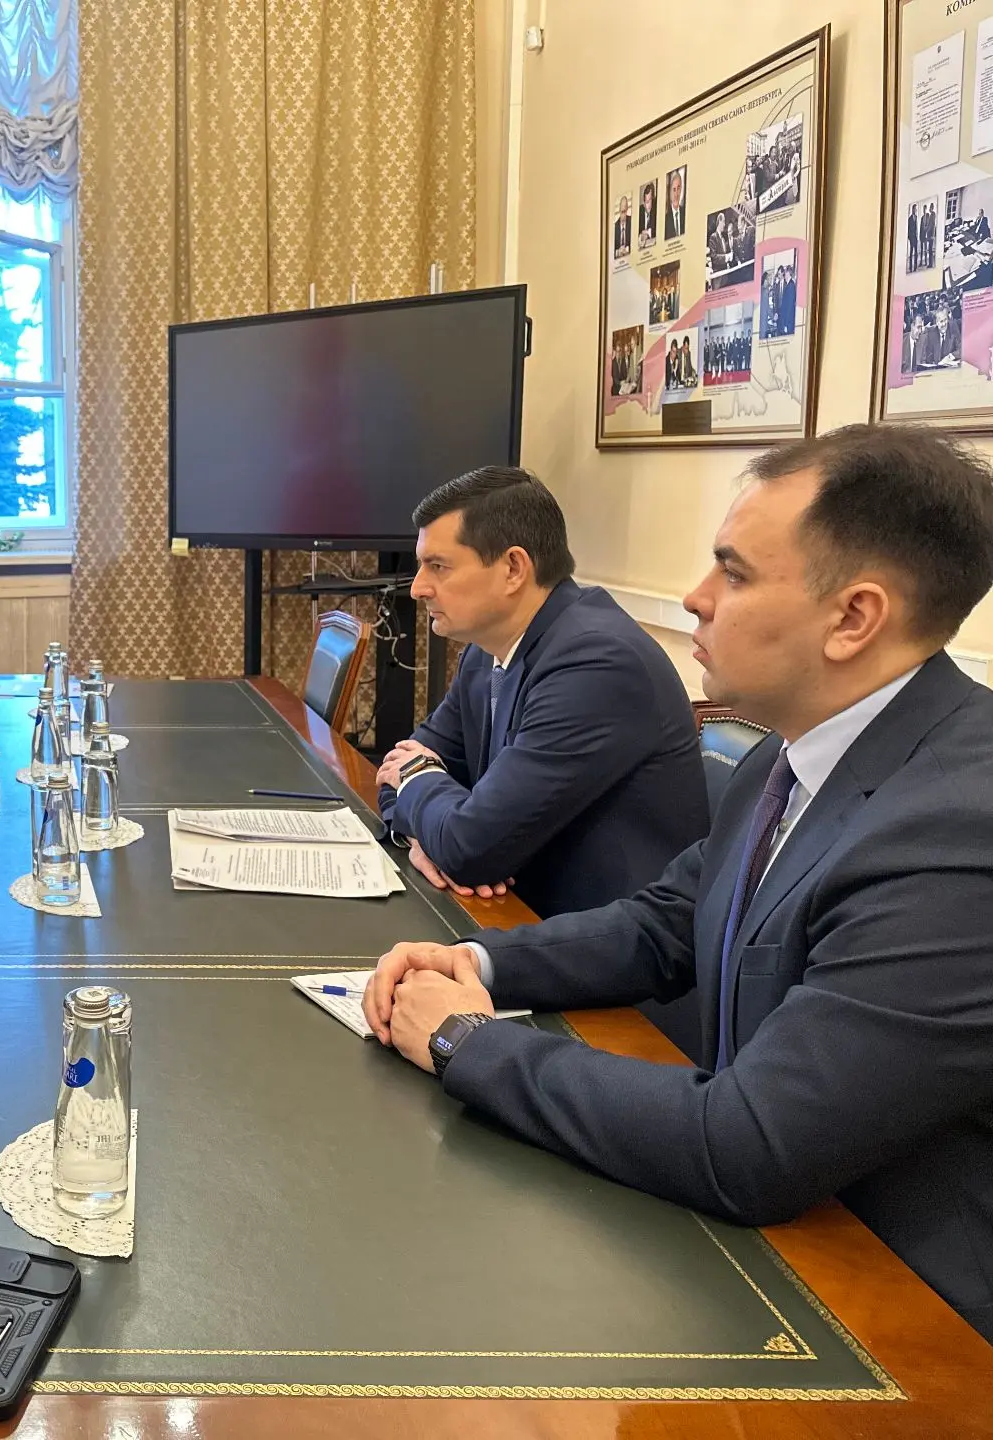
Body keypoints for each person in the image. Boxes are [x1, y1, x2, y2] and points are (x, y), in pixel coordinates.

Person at [363, 424, 993, 1344]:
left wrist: (465, 1041)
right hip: (772, 1248)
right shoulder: (795, 749)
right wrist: (478, 963)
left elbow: (749, 1142)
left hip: (899, 1322)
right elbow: (666, 922)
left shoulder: (957, 831)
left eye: (733, 573)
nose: (693, 598)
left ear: (854, 618)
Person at [377, 468, 707, 919]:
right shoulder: (484, 651)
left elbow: (467, 846)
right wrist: (422, 836)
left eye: (438, 566)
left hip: (600, 943)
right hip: (512, 910)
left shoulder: (597, 663)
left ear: (513, 568)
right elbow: (394, 775)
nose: (418, 588)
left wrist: (419, 783)